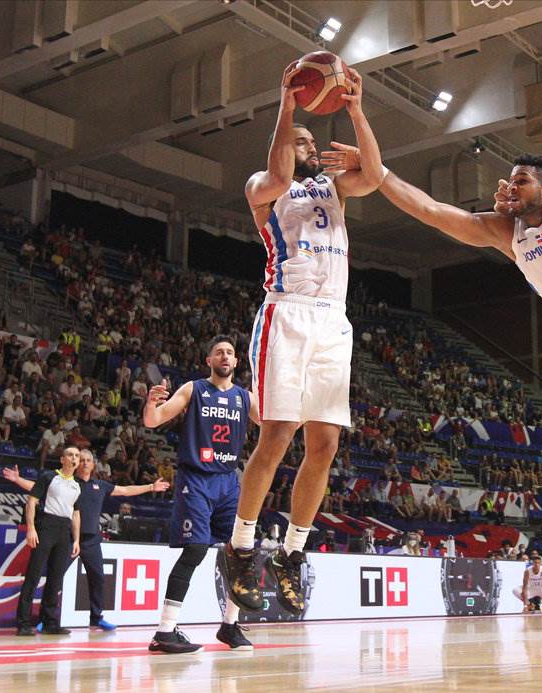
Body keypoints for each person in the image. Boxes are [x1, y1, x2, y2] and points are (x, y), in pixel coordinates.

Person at [368, 53, 542, 615]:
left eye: (520, 180)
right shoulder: (507, 233)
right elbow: (431, 210)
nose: (508, 187)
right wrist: (379, 175)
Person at [223, 61, 385, 617]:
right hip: (287, 313)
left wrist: (357, 110)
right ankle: (241, 548)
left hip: (333, 319)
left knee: (326, 444)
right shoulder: (263, 188)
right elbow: (276, 170)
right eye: (301, 141)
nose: (310, 147)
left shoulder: (332, 188)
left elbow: (375, 175)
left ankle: (292, 553)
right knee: (276, 436)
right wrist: (287, 107)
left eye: (313, 142)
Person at [143, 336, 260, 653]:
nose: (225, 356)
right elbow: (153, 420)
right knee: (195, 549)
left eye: (230, 353)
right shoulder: (193, 389)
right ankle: (165, 631)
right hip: (196, 479)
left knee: (240, 552)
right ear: (209, 360)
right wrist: (151, 402)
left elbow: (276, 426)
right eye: (219, 352)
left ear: (236, 362)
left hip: (228, 481)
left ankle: (230, 626)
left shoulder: (244, 397)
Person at [3, 450, 168, 630]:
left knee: (98, 578)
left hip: (91, 539)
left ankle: (96, 617)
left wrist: (151, 487)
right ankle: (46, 619)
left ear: (93, 464)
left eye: (88, 460)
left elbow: (126, 490)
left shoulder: (100, 485)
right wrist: (18, 480)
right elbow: (39, 488)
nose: (84, 463)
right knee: (55, 578)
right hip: (68, 537)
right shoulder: (69, 482)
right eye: (81, 460)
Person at [15, 447, 82, 636]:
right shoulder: (49, 477)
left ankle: (50, 622)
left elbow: (76, 514)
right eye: (70, 455)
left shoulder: (77, 485)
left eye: (77, 456)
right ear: (62, 459)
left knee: (56, 577)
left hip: (64, 530)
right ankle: (23, 622)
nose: (74, 458)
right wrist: (31, 528)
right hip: (46, 526)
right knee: (34, 575)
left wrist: (76, 539)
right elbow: (31, 501)